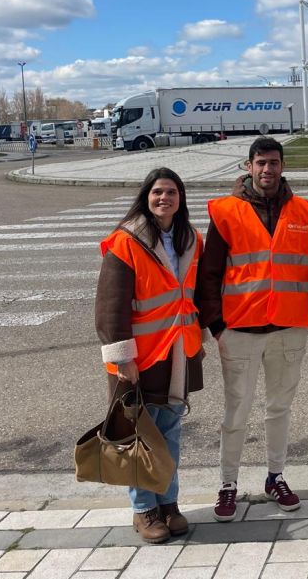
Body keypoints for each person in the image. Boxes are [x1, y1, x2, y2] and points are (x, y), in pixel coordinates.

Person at [195, 137, 308, 522]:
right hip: (240, 329)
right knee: (237, 411)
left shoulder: (303, 211)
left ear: (282, 167)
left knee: (279, 408)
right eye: (261, 163)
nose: (268, 170)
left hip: (288, 327)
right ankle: (228, 483)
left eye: (274, 163)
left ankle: (275, 476)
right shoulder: (226, 212)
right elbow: (209, 272)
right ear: (248, 167)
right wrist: (216, 324)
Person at [95, 167, 204, 544]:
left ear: (181, 198)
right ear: (146, 197)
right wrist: (123, 357)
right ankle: (144, 509)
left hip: (176, 353)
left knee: (170, 433)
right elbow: (110, 308)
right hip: (138, 359)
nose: (164, 198)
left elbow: (192, 295)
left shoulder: (191, 240)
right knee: (139, 436)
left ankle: (169, 503)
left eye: (172, 192)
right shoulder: (124, 243)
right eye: (158, 192)